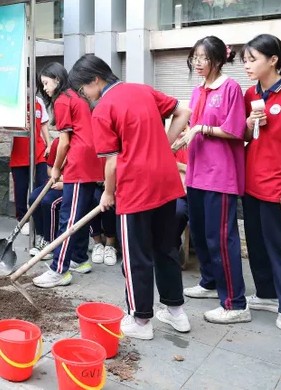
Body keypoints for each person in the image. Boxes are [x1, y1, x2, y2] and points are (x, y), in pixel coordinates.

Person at [71, 54, 191, 340]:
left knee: (136, 255)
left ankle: (141, 321)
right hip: (166, 181)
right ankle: (177, 312)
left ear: (96, 80)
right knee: (166, 248)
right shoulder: (143, 89)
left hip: (135, 188)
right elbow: (183, 111)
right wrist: (167, 144)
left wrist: (108, 195)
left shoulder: (102, 109)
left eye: (84, 89)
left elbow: (111, 162)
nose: (84, 95)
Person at [173, 36, 249, 324]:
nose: (198, 63)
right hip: (196, 173)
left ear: (218, 59)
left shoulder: (230, 87)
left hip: (221, 176)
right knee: (203, 234)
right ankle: (209, 282)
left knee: (221, 238)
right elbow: (191, 126)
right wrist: (181, 138)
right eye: (195, 57)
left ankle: (235, 303)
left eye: (203, 58)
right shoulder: (197, 91)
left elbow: (235, 130)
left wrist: (201, 129)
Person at [241, 34, 281, 343]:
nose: (247, 66)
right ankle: (265, 294)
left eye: (252, 59)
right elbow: (248, 137)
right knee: (257, 246)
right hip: (252, 183)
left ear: (273, 60)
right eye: (245, 60)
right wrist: (250, 120)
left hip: (278, 188)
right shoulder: (252, 92)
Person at [32, 63, 103, 288]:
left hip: (80, 163)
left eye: (46, 83)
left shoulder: (63, 100)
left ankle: (58, 269)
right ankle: (79, 259)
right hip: (91, 161)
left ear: (57, 79)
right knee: (79, 214)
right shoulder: (78, 96)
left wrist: (56, 168)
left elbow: (64, 142)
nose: (45, 89)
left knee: (69, 217)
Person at [10, 94, 51, 235]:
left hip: (39, 150)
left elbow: (44, 124)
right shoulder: (14, 99)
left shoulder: (39, 101)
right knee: (20, 188)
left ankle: (39, 219)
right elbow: (5, 124)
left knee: (42, 185)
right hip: (20, 150)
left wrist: (49, 144)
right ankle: (23, 220)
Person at [28, 137, 61, 259]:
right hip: (53, 182)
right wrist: (55, 177)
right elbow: (49, 169)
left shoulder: (78, 143)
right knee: (33, 199)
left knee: (48, 202)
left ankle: (50, 242)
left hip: (69, 185)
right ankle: (41, 236)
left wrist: (63, 181)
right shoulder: (57, 142)